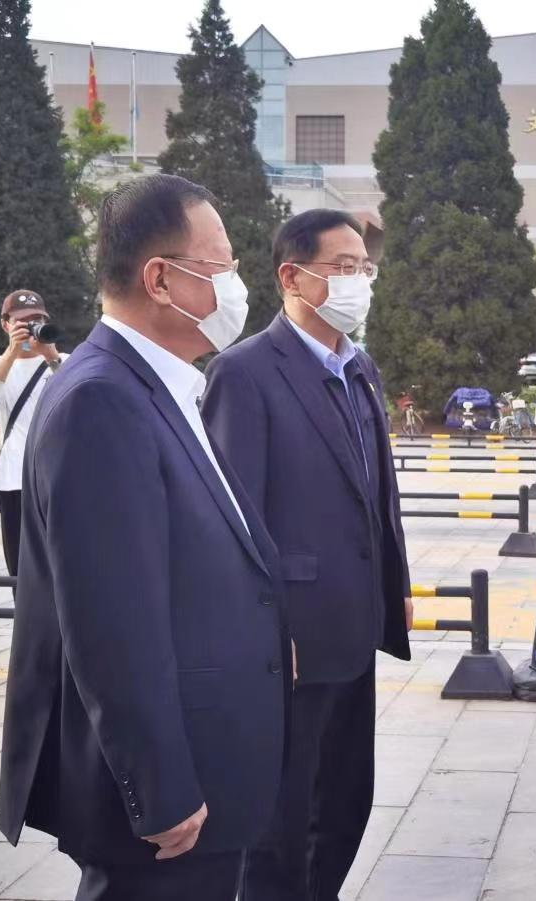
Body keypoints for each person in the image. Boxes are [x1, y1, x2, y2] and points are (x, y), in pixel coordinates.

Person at [0, 174, 289, 901]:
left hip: (212, 756)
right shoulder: (101, 398)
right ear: (160, 279)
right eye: (221, 265)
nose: (235, 284)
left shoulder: (163, 383)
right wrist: (159, 786)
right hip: (171, 799)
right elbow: (110, 625)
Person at [201, 209, 413, 901]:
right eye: (342, 268)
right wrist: (263, 626)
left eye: (364, 268)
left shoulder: (359, 366)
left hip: (355, 625)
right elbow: (233, 520)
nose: (359, 281)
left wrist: (395, 581)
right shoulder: (244, 373)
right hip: (289, 638)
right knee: (281, 818)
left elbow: (376, 489)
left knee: (345, 799)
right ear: (292, 277)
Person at [0, 290, 66, 577]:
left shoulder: (64, 361)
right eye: (22, 322)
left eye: (38, 320)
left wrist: (51, 356)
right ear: (6, 325)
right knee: (20, 567)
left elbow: (80, 399)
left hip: (59, 478)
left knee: (62, 564)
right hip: (15, 479)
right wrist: (12, 353)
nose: (31, 327)